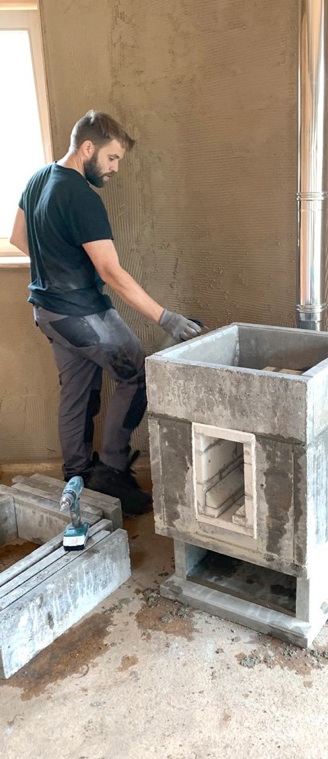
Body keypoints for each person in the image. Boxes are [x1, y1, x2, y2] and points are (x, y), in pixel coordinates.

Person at [10, 110, 201, 515]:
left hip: (48, 312)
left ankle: (77, 475)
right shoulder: (81, 197)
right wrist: (165, 317)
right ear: (87, 148)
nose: (114, 168)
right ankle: (112, 471)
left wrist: (58, 267)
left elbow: (18, 238)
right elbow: (111, 271)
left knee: (76, 392)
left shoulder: (37, 179)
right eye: (112, 158)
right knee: (137, 373)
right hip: (82, 314)